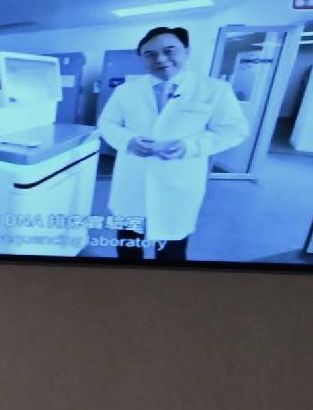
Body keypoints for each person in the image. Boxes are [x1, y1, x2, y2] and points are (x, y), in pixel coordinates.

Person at [96, 25, 250, 261]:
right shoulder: (127, 90)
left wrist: (190, 146)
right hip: (132, 180)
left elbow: (234, 130)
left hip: (179, 182)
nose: (161, 58)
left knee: (171, 250)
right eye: (150, 54)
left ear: (186, 52)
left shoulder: (214, 90)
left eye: (170, 50)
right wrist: (128, 140)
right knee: (127, 245)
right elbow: (107, 123)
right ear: (142, 59)